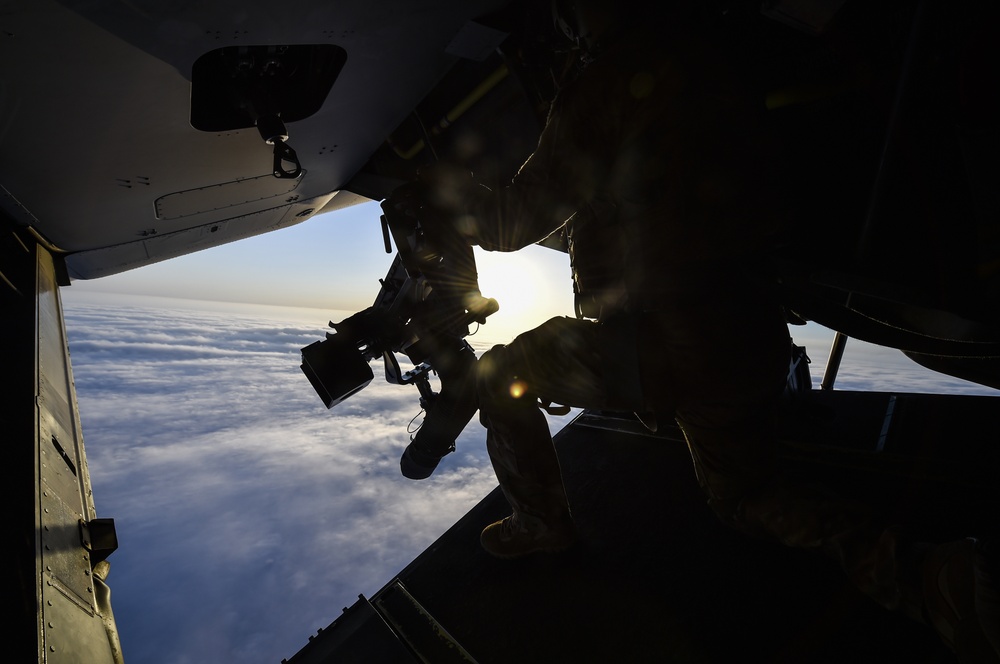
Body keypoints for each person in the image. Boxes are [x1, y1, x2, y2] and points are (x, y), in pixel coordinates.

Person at [408, 1, 1000, 658]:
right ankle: (931, 579)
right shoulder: (714, 46)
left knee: (500, 375)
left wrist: (445, 191)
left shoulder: (610, 80)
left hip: (666, 336)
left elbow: (511, 223)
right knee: (746, 495)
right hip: (744, 326)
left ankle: (540, 520)